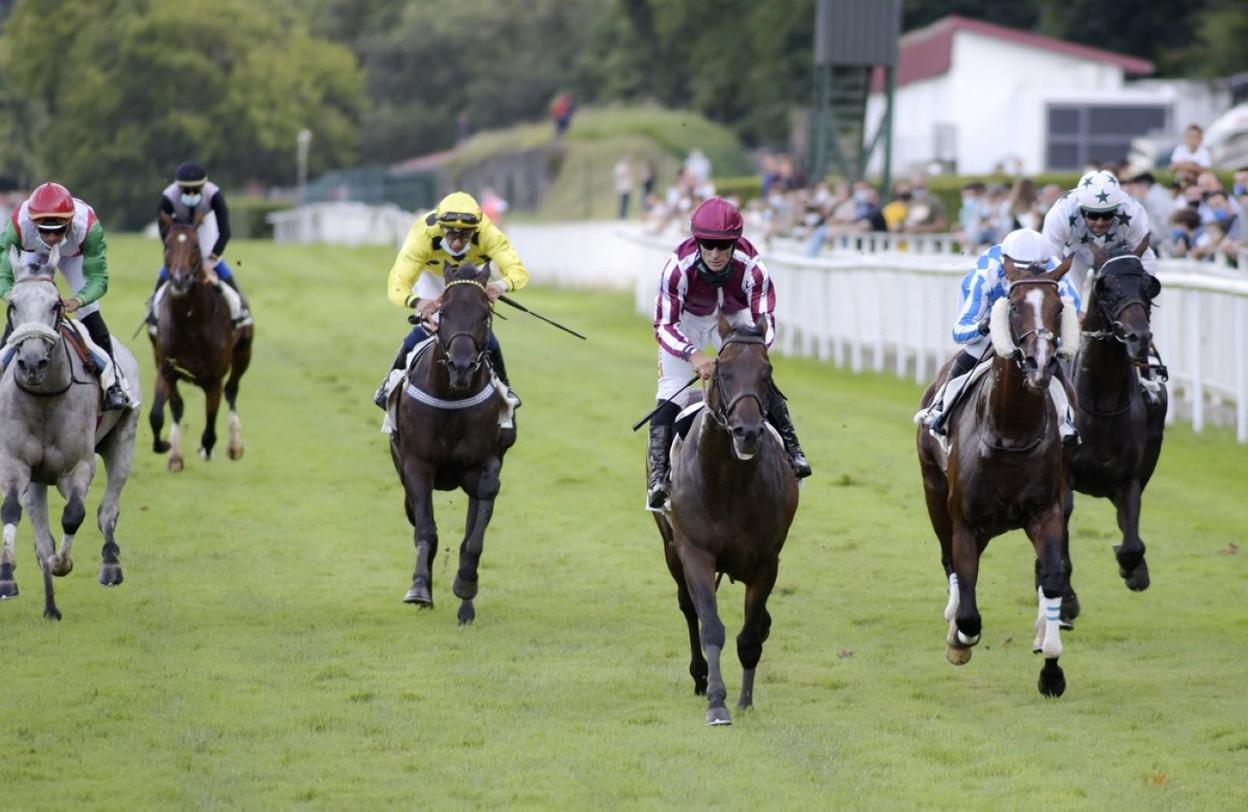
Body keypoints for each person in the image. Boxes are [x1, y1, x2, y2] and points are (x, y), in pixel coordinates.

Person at [645, 197, 811, 510]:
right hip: (687, 323)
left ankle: (793, 450)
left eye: (724, 245)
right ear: (697, 241)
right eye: (708, 244)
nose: (716, 253)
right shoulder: (676, 269)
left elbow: (767, 320)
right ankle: (658, 478)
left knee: (754, 379)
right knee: (671, 394)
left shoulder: (753, 266)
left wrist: (745, 353)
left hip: (737, 321)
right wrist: (694, 355)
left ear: (736, 243)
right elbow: (664, 324)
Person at [915, 228, 1081, 446]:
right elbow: (960, 330)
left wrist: (1050, 340)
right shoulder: (986, 273)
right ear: (1006, 264)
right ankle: (940, 409)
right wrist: (986, 326)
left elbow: (1071, 312)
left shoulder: (1054, 269)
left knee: (1050, 361)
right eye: (1020, 271)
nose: (1028, 275)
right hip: (991, 330)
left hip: (1033, 332)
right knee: (971, 353)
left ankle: (1066, 421)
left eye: (1035, 270)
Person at [374, 191, 527, 411]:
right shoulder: (424, 234)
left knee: (478, 329)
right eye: (451, 234)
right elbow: (397, 284)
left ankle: (504, 388)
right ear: (441, 227)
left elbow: (518, 272)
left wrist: (499, 286)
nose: (457, 242)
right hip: (433, 276)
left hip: (470, 275)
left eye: (465, 236)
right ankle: (388, 384)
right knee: (429, 326)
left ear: (476, 229)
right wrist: (418, 303)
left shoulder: (488, 233)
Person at [0, 182, 135, 410]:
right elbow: (3, 273)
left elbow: (99, 279)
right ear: (33, 222)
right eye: (45, 229)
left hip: (75, 255)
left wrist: (79, 299)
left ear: (71, 221)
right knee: (25, 309)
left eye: (59, 229)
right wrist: (12, 296)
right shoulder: (18, 224)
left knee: (89, 310)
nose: (52, 237)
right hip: (34, 254)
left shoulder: (89, 227)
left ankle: (114, 386)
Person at [147, 161, 250, 330]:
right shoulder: (168, 197)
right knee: (165, 274)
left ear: (204, 186)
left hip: (205, 229)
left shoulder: (214, 194)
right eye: (187, 191)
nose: (192, 193)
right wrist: (175, 258)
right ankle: (153, 310)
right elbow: (165, 234)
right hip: (179, 232)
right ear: (178, 188)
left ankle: (241, 308)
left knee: (223, 271)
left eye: (196, 190)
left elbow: (224, 232)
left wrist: (210, 262)